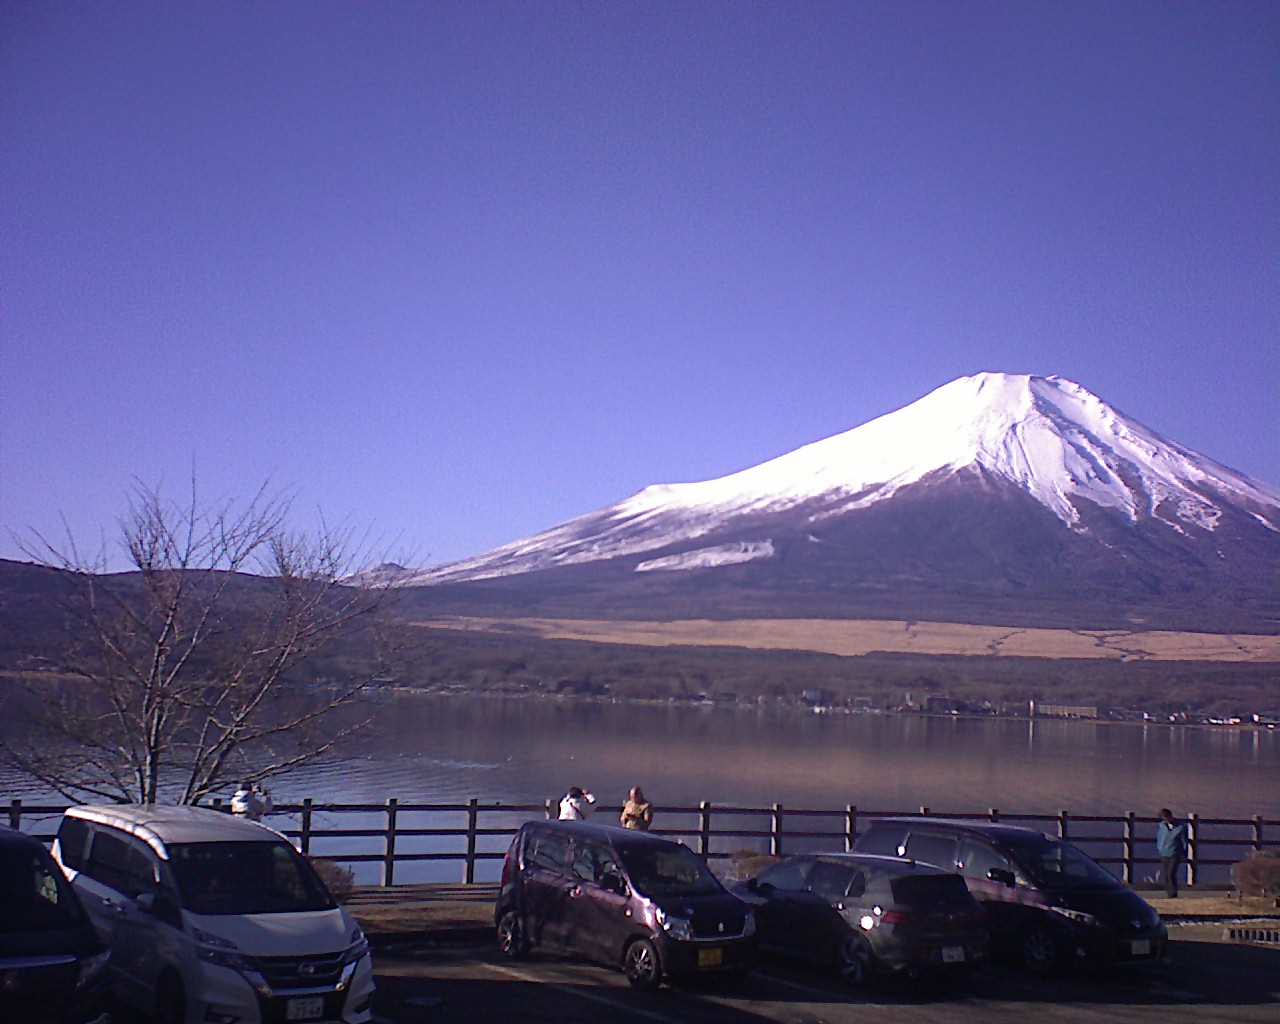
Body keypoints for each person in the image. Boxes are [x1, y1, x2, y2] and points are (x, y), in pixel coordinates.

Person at [1155, 808, 1189, 898]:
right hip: (1164, 853)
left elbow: (1184, 841)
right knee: (1166, 874)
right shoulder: (1162, 826)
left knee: (1171, 873)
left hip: (1175, 853)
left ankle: (1173, 893)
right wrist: (1160, 848)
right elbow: (1159, 838)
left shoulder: (1181, 827)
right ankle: (1169, 893)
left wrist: (1184, 853)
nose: (1165, 820)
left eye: (1166, 817)